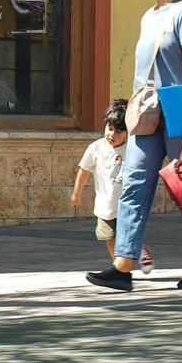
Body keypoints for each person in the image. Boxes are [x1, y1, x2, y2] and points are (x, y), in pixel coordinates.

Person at [87, 0, 182, 291]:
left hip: (180, 109)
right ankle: (123, 265)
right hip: (147, 111)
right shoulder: (149, 16)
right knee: (133, 183)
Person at [69, 99, 153, 272]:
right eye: (109, 129)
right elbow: (84, 170)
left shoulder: (132, 148)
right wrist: (76, 193)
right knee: (109, 237)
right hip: (105, 205)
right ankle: (119, 266)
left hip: (126, 203)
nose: (112, 135)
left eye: (119, 132)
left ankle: (138, 251)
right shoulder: (96, 148)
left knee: (129, 233)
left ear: (128, 133)